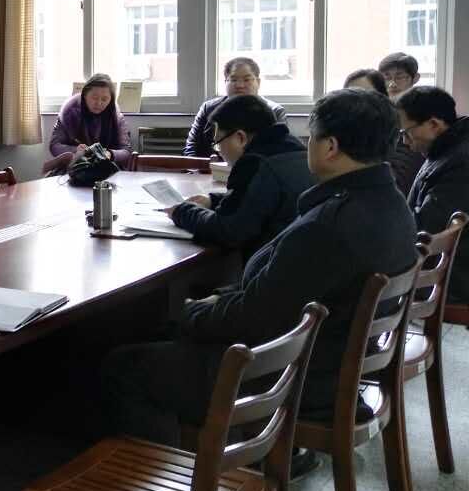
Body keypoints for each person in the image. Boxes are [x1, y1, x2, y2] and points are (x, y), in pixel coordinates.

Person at [101, 89, 417, 452]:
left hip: (289, 376)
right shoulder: (394, 204)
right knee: (170, 331)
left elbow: (254, 319)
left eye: (311, 137)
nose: (307, 145)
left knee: (124, 364)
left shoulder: (328, 225)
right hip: (336, 363)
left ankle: (172, 476)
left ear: (330, 147)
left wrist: (189, 312)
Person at [167, 96, 315, 261]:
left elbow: (227, 231)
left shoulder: (254, 163)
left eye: (218, 143)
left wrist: (181, 212)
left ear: (240, 138)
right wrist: (212, 201)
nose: (219, 152)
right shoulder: (296, 151)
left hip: (270, 270)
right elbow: (257, 199)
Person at [397, 86, 469, 303]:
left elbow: (428, 229)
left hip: (454, 282)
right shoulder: (446, 149)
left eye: (406, 133)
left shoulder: (460, 162)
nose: (404, 142)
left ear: (434, 125)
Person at [184, 57, 287, 157]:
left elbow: (278, 153)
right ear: (225, 82)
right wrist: (197, 167)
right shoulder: (208, 108)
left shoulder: (275, 111)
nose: (240, 85)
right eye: (233, 80)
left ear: (258, 82)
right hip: (211, 167)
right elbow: (191, 147)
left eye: (247, 80)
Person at [46, 74, 132, 174]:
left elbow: (127, 151)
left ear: (111, 100)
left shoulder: (116, 118)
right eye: (94, 98)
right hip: (74, 167)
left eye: (104, 99)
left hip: (107, 168)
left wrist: (110, 154)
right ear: (85, 96)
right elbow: (54, 145)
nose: (99, 103)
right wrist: (76, 150)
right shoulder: (69, 114)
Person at [379, 52, 424, 196]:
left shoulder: (420, 112)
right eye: (387, 77)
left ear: (415, 78)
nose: (392, 84)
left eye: (399, 77)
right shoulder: (379, 109)